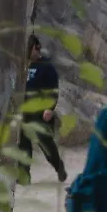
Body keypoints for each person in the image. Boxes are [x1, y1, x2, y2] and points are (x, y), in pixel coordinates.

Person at [20, 34, 68, 184]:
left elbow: (53, 90)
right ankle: (24, 176)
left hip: (41, 113)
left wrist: (50, 108)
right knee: (23, 144)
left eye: (28, 49)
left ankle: (59, 166)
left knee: (46, 144)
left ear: (36, 48)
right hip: (24, 111)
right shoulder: (23, 66)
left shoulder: (46, 67)